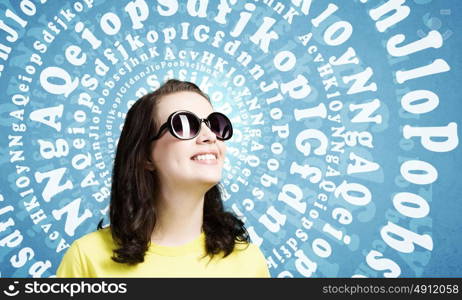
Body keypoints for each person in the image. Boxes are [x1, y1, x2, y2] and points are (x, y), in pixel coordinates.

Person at [56, 79, 271, 277]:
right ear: (145, 156)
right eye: (185, 124)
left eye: (214, 124)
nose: (209, 136)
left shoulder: (249, 263)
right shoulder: (86, 259)